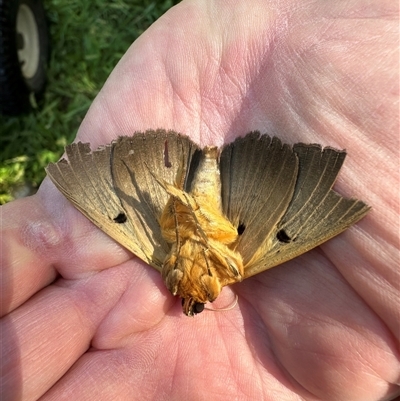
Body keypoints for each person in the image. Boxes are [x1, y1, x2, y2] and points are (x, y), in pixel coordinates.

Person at [1, 1, 398, 400]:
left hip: (174, 186)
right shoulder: (233, 265)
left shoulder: (165, 260)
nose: (191, 297)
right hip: (224, 195)